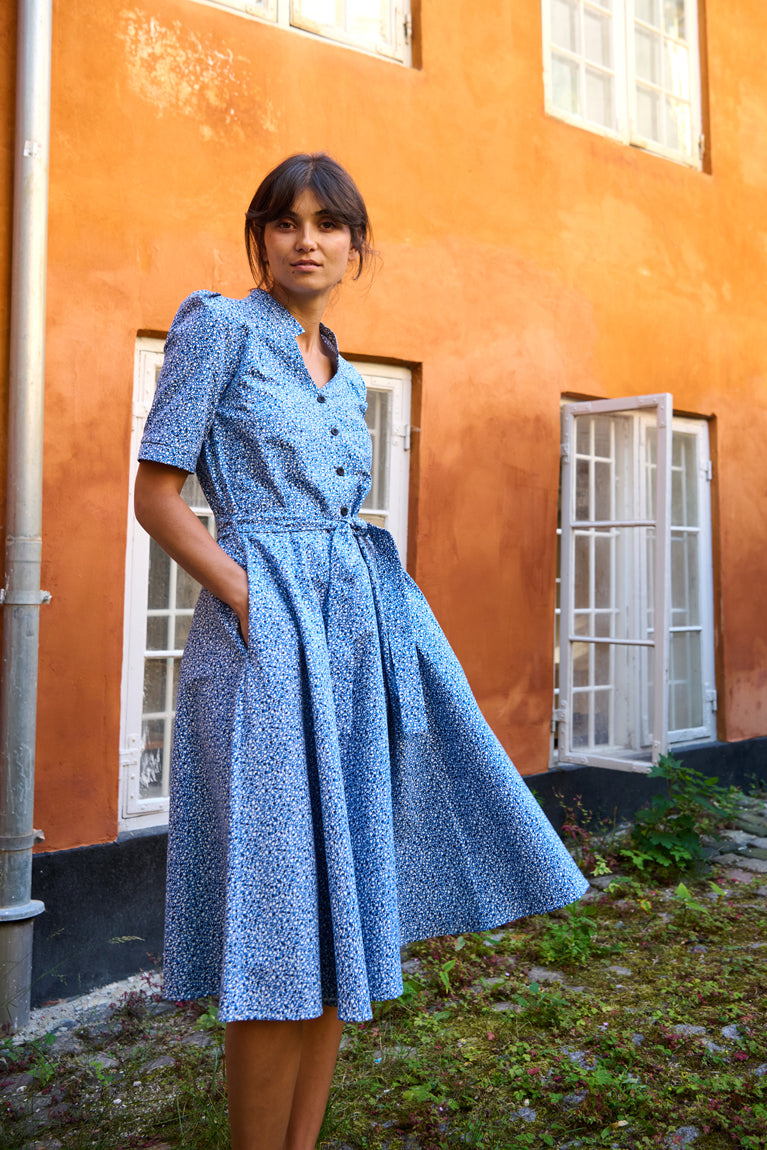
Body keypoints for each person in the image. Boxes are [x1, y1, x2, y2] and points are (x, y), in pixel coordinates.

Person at [134, 152, 589, 1150]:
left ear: (353, 245)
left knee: (338, 910)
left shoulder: (343, 372)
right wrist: (247, 595)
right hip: (263, 647)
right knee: (279, 921)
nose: (307, 240)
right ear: (259, 238)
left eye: (328, 224)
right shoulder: (217, 330)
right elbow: (156, 498)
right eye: (285, 221)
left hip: (352, 643)